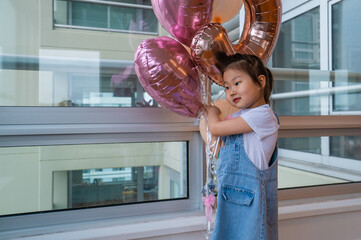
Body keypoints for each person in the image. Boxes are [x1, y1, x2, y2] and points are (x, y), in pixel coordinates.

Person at [205, 52, 279, 240]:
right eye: (227, 87)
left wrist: (211, 111)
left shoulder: (262, 115)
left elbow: (215, 128)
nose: (231, 92)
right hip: (230, 198)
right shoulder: (241, 117)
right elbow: (224, 150)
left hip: (249, 206)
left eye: (237, 83)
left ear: (260, 82)